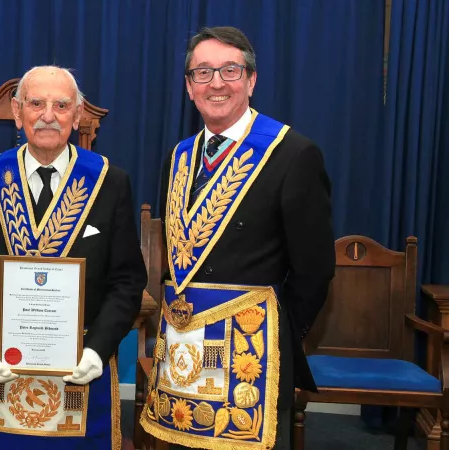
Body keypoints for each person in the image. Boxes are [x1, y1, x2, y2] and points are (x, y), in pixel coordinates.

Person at [139, 26, 335, 450]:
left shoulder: (293, 154)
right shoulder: (178, 156)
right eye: (203, 73)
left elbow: (314, 270)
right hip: (185, 352)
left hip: (252, 357)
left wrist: (277, 336)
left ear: (251, 79)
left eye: (230, 70)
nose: (217, 84)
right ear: (189, 87)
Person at [0, 65, 147, 449]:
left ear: (78, 115)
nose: (49, 116)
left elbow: (127, 280)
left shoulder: (110, 182)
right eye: (36, 103)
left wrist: (98, 349)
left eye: (61, 105)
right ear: (18, 113)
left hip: (80, 372)